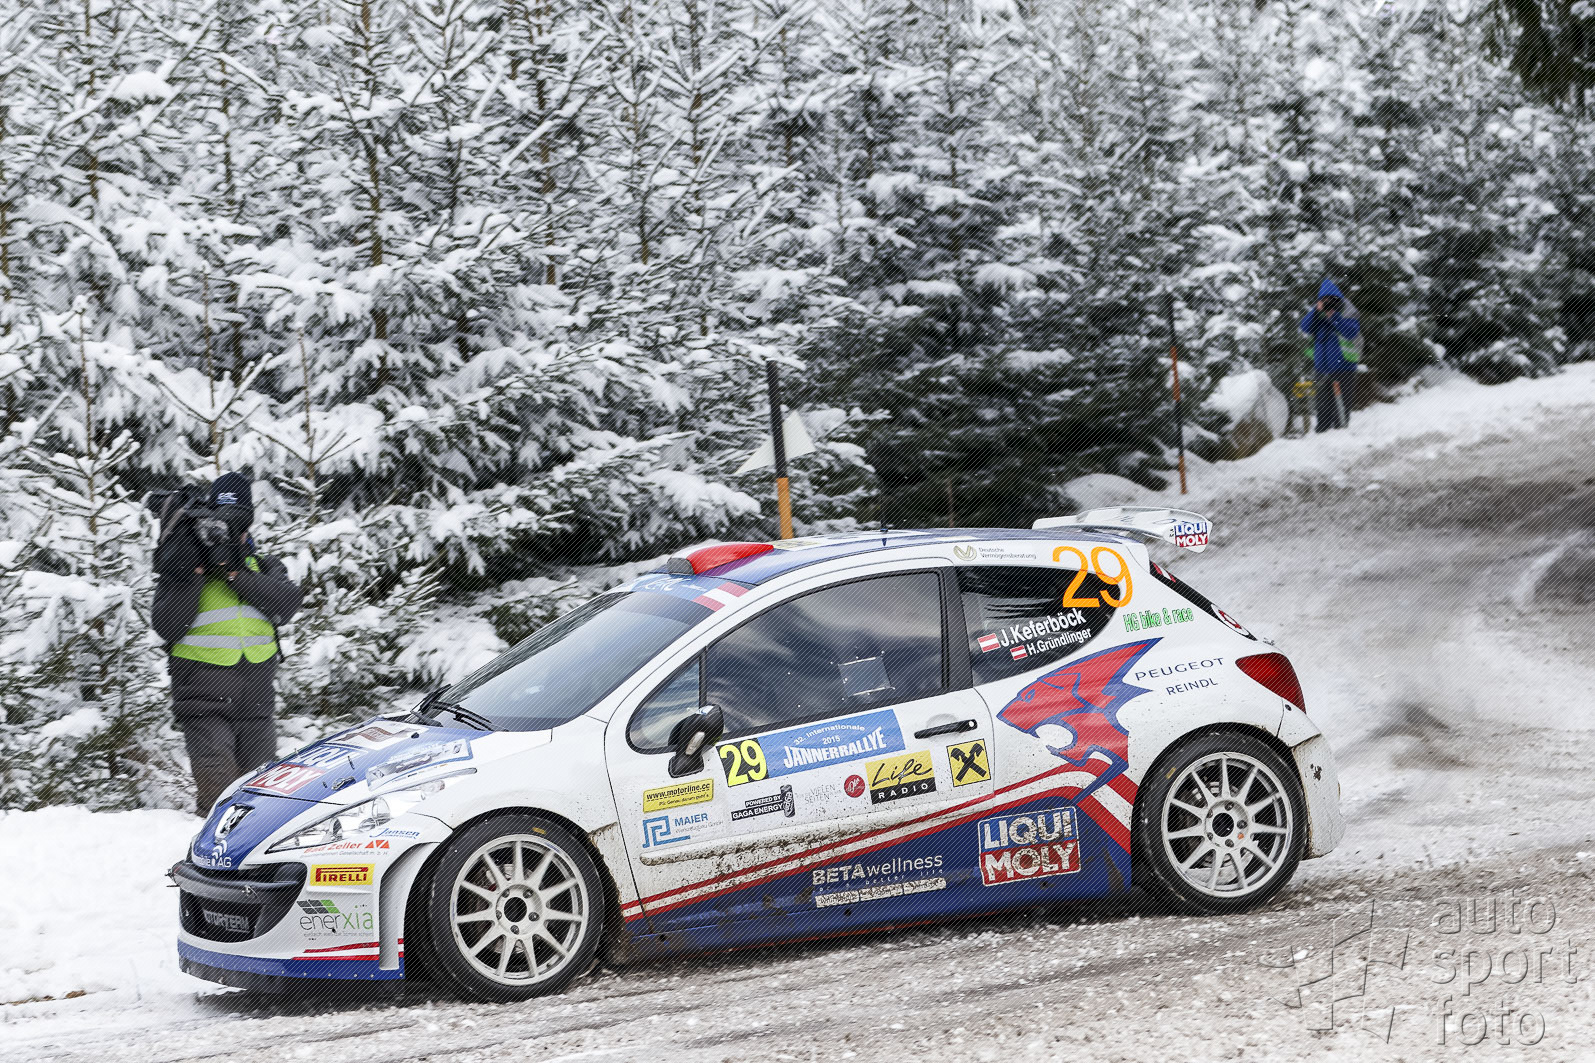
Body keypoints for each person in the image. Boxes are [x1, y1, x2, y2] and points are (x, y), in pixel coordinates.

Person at [152, 472, 303, 813]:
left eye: (239, 524)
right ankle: (208, 846)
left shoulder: (262, 566)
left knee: (262, 798)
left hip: (256, 702)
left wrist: (234, 573)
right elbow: (168, 625)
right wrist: (195, 569)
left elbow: (286, 603)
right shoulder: (184, 570)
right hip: (202, 699)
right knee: (219, 797)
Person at [1299, 278, 1361, 432]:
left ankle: (1341, 434)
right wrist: (1316, 310)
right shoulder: (1317, 314)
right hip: (1322, 368)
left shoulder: (1347, 311)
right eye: (1324, 300)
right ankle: (1322, 434)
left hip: (1343, 367)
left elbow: (1351, 332)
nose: (1328, 303)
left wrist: (1334, 316)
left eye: (1331, 300)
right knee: (1322, 405)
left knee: (1341, 406)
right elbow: (1304, 327)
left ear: (1338, 299)